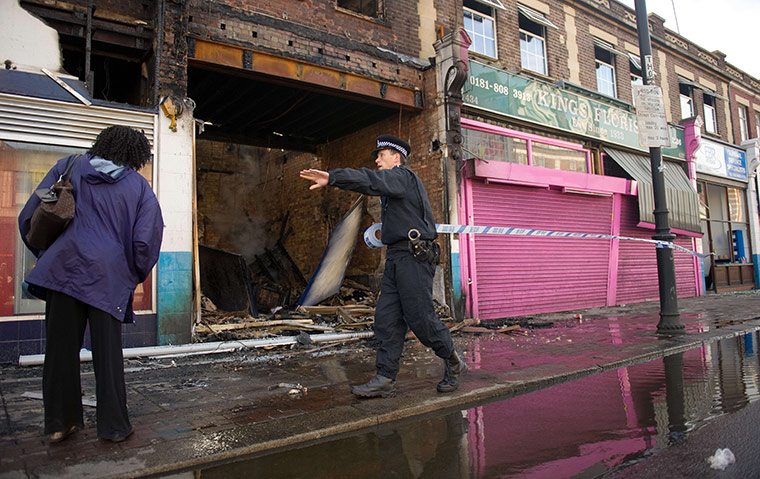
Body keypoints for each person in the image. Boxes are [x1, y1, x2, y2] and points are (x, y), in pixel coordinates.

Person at [18, 125, 164, 443]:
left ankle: (60, 423)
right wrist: (131, 275)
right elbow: (145, 242)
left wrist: (48, 256)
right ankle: (114, 428)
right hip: (107, 280)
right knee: (108, 356)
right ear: (135, 156)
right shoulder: (140, 189)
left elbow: (31, 214)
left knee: (59, 353)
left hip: (63, 274)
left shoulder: (66, 168)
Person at [299, 134, 467, 398]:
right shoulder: (393, 188)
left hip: (414, 259)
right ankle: (385, 378)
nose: (377, 160)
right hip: (396, 258)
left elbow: (370, 180)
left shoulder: (402, 177)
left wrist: (333, 177)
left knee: (421, 320)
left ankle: (453, 361)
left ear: (396, 158)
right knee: (386, 320)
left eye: (381, 155)